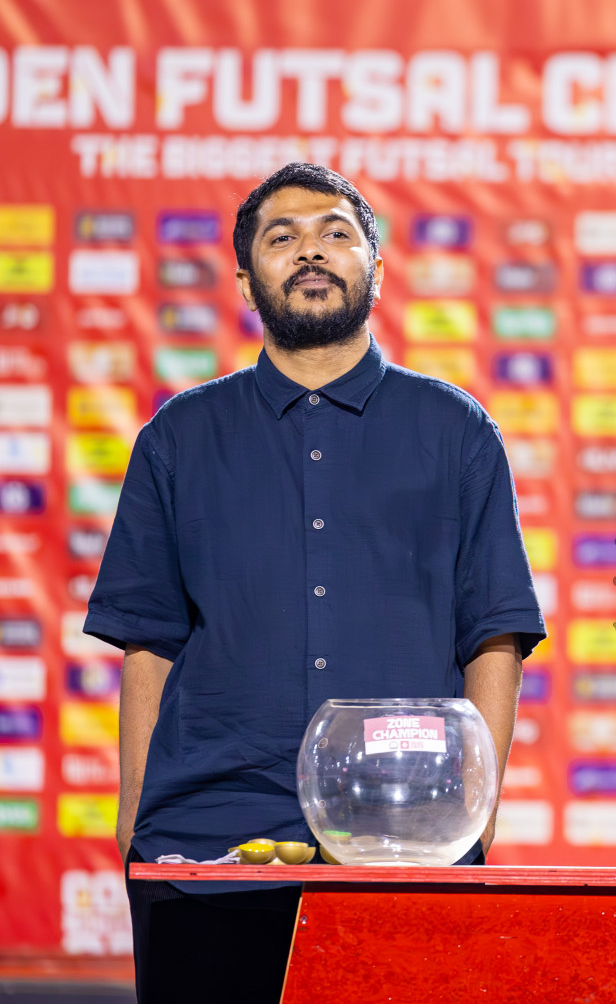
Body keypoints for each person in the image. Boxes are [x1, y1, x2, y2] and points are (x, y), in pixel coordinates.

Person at [86, 163, 545, 1004]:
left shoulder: (455, 429)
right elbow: (150, 640)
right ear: (245, 277)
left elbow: (495, 636)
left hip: (406, 838)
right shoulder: (180, 436)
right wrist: (132, 825)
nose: (311, 251)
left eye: (336, 233)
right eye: (282, 236)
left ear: (374, 263)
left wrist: (468, 817)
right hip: (207, 840)